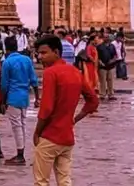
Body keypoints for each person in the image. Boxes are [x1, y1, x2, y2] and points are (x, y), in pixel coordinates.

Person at [32, 34, 98, 186]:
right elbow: (93, 101)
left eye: (44, 53)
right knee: (64, 181)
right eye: (38, 54)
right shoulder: (75, 72)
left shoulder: (51, 72)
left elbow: (46, 108)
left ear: (56, 52)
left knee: (41, 181)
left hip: (50, 136)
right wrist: (74, 119)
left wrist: (37, 132)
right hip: (67, 138)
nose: (40, 57)